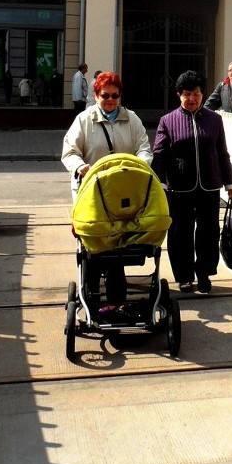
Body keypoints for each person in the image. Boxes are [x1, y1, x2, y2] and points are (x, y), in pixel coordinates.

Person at [61, 71, 152, 309]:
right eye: (105, 95)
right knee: (93, 244)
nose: (110, 100)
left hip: (122, 194)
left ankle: (116, 300)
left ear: (120, 96)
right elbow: (69, 152)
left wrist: (140, 165)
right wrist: (81, 167)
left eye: (115, 95)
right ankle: (91, 296)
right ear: (95, 95)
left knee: (116, 246)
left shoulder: (131, 119)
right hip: (91, 192)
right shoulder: (84, 120)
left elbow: (144, 147)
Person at [152, 69, 232, 294]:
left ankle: (205, 274)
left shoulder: (214, 119)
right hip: (179, 187)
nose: (192, 98)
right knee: (181, 232)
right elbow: (159, 154)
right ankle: (185, 276)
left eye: (197, 93)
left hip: (209, 185)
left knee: (209, 231)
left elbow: (222, 153)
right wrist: (157, 183)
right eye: (187, 94)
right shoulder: (168, 121)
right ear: (179, 95)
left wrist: (230, 183)